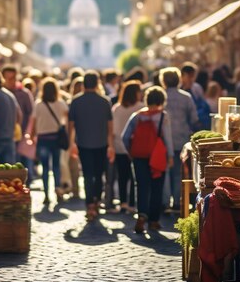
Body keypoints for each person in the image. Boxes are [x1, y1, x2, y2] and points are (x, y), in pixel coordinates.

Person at [122, 86, 174, 233]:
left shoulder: (137, 116)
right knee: (157, 187)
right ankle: (154, 221)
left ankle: (141, 217)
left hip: (139, 156)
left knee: (142, 186)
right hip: (157, 157)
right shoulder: (163, 116)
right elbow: (168, 138)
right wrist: (170, 156)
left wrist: (131, 151)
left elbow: (125, 137)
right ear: (162, 100)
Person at [68, 71, 115, 221]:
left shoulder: (75, 101)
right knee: (98, 175)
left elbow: (71, 126)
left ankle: (89, 204)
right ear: (97, 83)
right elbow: (110, 127)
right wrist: (111, 146)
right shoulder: (105, 101)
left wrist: (71, 144)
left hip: (83, 143)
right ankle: (96, 201)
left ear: (83, 84)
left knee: (87, 175)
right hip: (101, 143)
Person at [159, 68, 198, 212]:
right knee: (178, 172)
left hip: (163, 140)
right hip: (182, 139)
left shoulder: (160, 97)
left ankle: (164, 202)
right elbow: (194, 119)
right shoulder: (186, 97)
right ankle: (176, 201)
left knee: (164, 171)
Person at [30, 77, 69, 204]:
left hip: (43, 139)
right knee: (56, 166)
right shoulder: (61, 103)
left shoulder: (39, 104)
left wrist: (31, 135)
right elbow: (66, 119)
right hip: (56, 138)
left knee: (45, 167)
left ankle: (46, 194)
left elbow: (34, 122)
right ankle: (57, 190)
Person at [111, 80, 144, 213]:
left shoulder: (117, 108)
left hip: (119, 146)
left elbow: (113, 130)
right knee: (134, 177)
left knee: (122, 176)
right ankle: (132, 203)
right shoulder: (141, 107)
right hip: (135, 147)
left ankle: (123, 202)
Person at [2, 65, 35, 178]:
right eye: (9, 78)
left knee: (22, 164)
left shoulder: (24, 94)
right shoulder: (0, 93)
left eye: (14, 78)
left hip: (22, 135)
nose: (11, 81)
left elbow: (31, 114)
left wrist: (28, 133)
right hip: (5, 135)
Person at [181, 62, 211, 131]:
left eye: (193, 76)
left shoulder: (197, 87)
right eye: (189, 76)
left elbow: (203, 103)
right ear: (183, 76)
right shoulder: (179, 89)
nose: (191, 79)